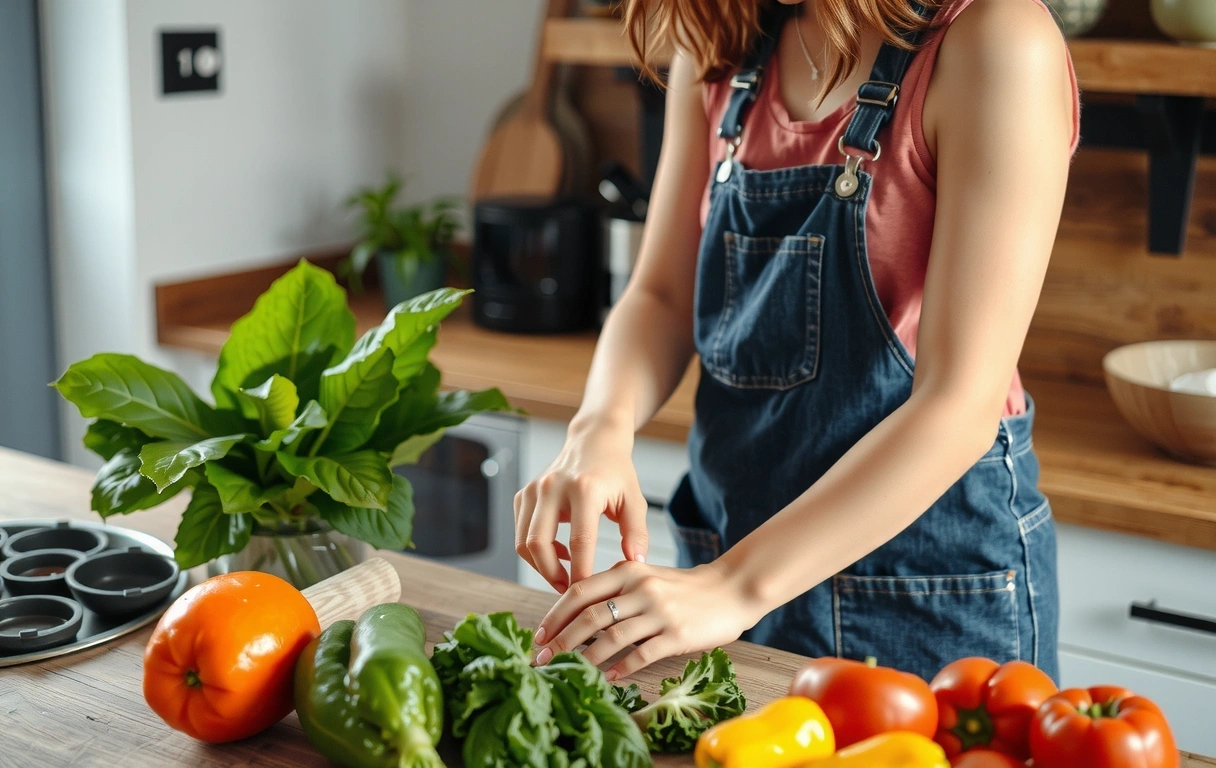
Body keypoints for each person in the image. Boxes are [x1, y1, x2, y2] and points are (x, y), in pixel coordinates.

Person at [515, 0, 1078, 684]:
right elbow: (660, 294)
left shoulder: (996, 40)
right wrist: (599, 426)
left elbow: (960, 404)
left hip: (925, 596)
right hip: (737, 575)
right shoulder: (723, 37)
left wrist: (733, 587)